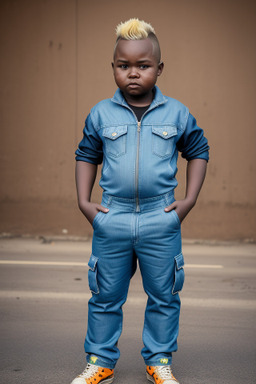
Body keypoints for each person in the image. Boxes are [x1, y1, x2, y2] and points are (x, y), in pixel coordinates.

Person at [72, 18, 209, 384]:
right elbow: (86, 155)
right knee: (103, 295)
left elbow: (198, 150)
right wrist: (85, 203)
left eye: (143, 66)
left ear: (159, 69)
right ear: (114, 67)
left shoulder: (176, 113)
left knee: (164, 295)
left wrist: (188, 200)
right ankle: (100, 361)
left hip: (159, 218)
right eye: (124, 66)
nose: (133, 73)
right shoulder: (101, 113)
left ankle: (159, 360)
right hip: (112, 216)